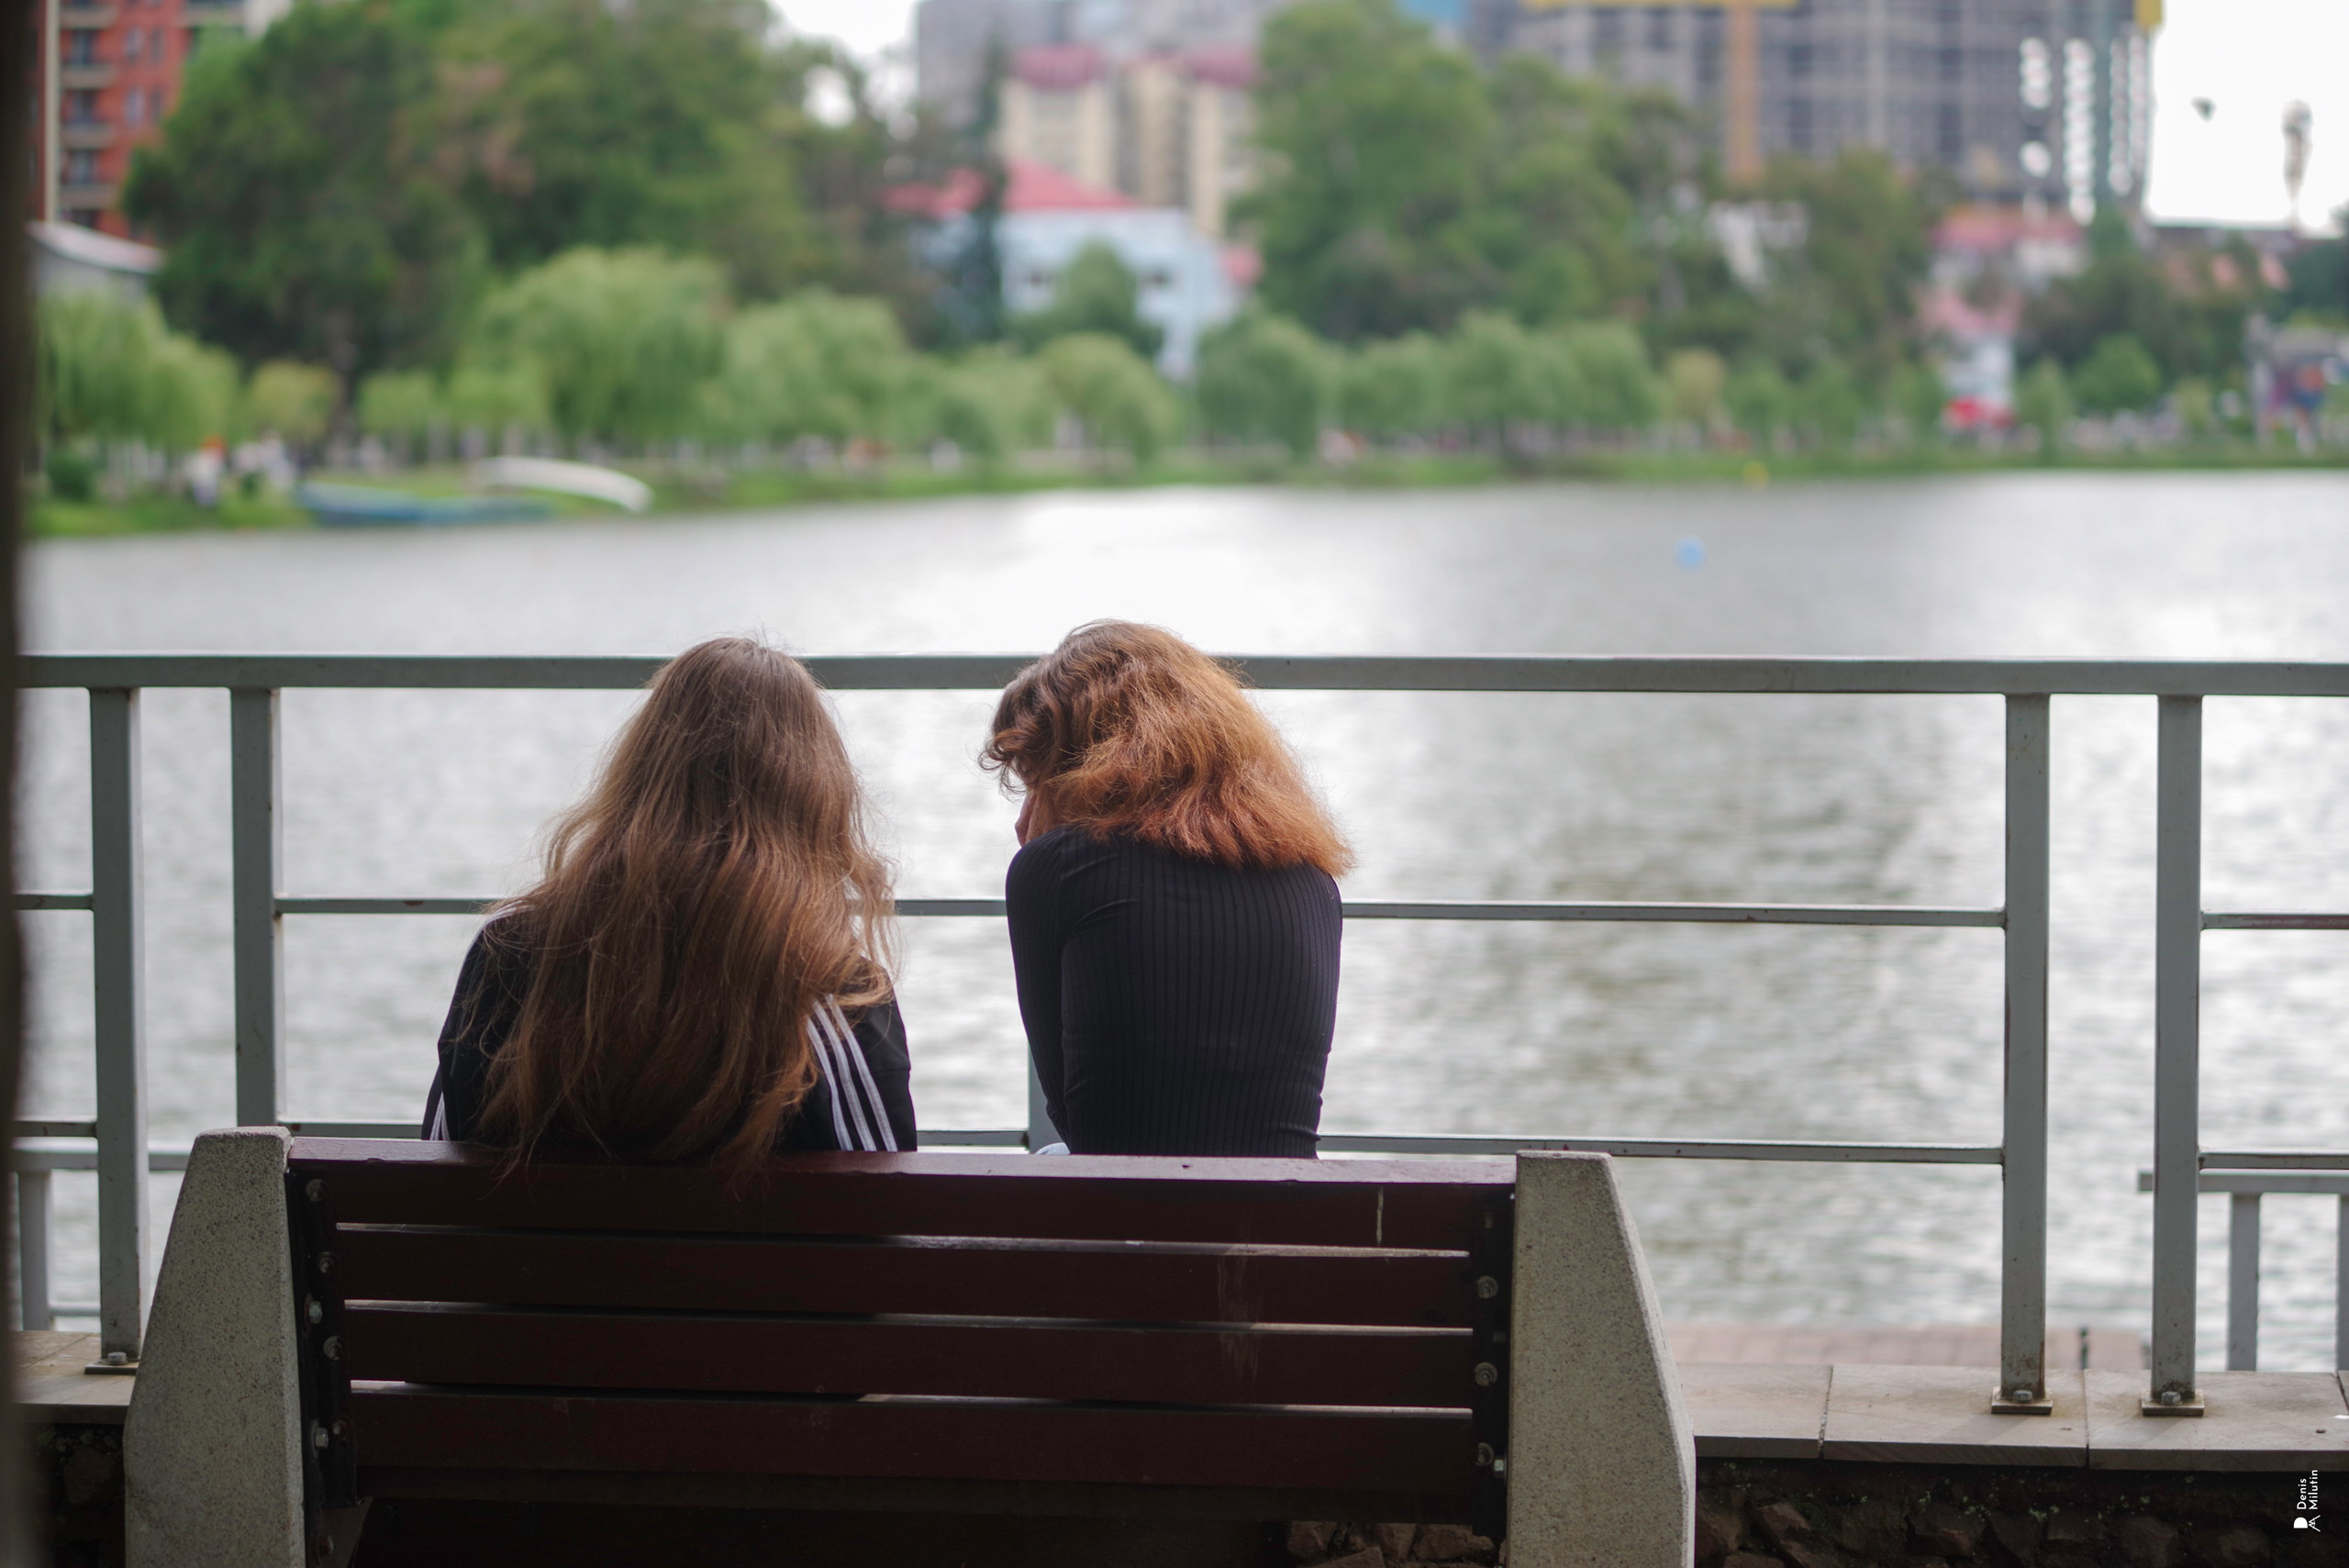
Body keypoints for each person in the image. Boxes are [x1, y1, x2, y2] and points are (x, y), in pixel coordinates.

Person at [423, 637, 914, 1163]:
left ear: (640, 769)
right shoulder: (832, 985)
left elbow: (439, 1169)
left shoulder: (510, 949)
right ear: (816, 795)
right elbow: (883, 1205)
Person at [983, 621, 1351, 1157]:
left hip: (1132, 1219)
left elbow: (1069, 1115)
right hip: (1281, 1216)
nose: (1024, 820)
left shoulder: (1058, 868)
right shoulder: (1314, 881)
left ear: (1085, 766)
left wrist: (1042, 861)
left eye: (1039, 777)